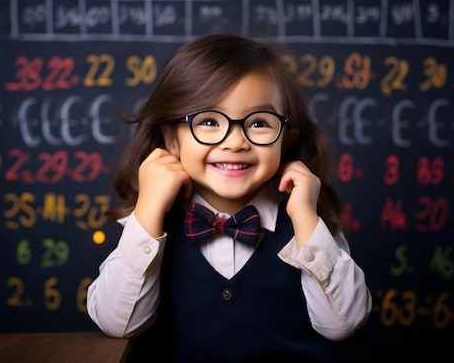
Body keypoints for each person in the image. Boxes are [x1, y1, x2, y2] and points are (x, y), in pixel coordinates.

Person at [87, 33, 372, 362]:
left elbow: (343, 324)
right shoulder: (148, 227)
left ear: (287, 140)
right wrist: (148, 210)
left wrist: (306, 218)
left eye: (259, 123)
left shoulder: (308, 223)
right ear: (170, 138)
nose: (235, 142)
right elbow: (116, 323)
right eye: (208, 121)